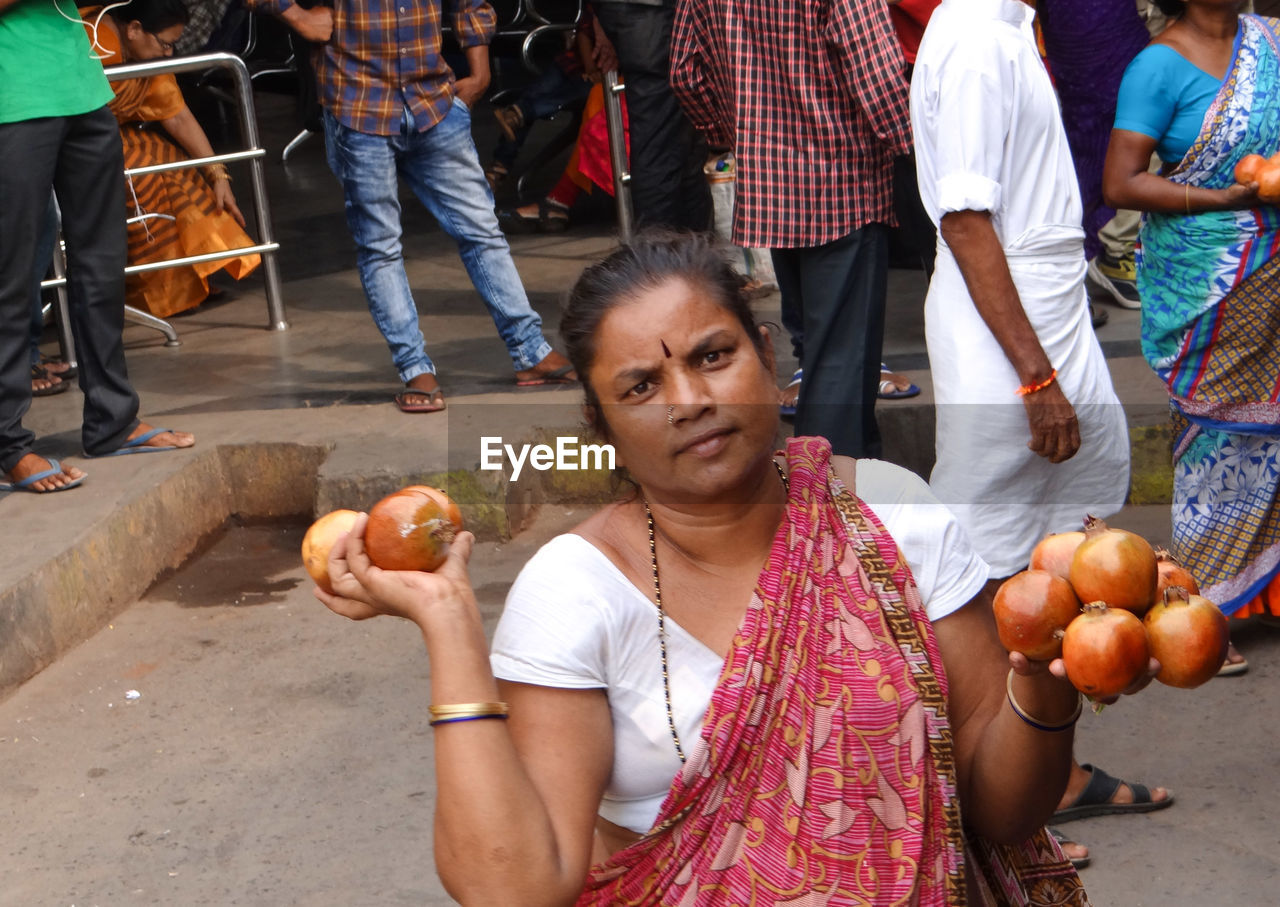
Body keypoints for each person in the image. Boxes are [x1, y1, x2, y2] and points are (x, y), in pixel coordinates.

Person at [315, 231, 1110, 903]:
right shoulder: (576, 591)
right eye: (641, 385)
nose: (689, 399)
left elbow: (999, 810)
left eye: (713, 355)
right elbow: (517, 885)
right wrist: (449, 624)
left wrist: (1041, 673)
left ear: (765, 355)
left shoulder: (890, 513)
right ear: (602, 426)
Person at [911, 0, 1170, 850]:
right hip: (1011, 324)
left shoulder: (1007, 27)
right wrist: (1036, 374)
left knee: (1054, 540)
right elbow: (966, 221)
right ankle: (994, 788)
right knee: (984, 559)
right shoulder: (980, 39)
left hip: (1042, 305)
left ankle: (1048, 771)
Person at [251, 0, 577, 414]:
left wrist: (480, 73)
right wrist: (296, 16)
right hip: (358, 108)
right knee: (381, 247)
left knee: (482, 231)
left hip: (432, 104)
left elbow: (469, 4)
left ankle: (531, 350)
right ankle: (414, 367)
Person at [1102, 0, 1280, 674]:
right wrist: (1220, 203)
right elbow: (1120, 180)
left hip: (1273, 264)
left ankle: (1263, 591)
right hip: (1204, 282)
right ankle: (1201, 606)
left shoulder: (1269, 41)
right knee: (1217, 438)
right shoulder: (1157, 66)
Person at [671, 0, 912, 458]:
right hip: (844, 180)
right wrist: (916, 148)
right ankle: (823, 501)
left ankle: (834, 492)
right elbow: (878, 81)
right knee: (840, 358)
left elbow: (686, 72)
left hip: (772, 183)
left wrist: (738, 130)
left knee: (825, 354)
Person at [1, 0, 195, 494]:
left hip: (83, 89)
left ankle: (113, 420)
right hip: (13, 98)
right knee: (12, 275)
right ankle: (8, 445)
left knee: (103, 264)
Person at [81, 0, 262, 319]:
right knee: (146, 175)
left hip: (116, 137)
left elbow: (177, 116)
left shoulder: (140, 49)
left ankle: (193, 277)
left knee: (177, 166)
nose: (168, 54)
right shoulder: (96, 43)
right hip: (80, 143)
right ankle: (162, 292)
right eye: (165, 44)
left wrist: (218, 174)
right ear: (135, 29)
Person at [590, 0, 709, 232]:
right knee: (663, 144)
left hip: (633, 11)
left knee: (680, 144)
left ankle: (686, 253)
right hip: (652, 11)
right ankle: (664, 256)